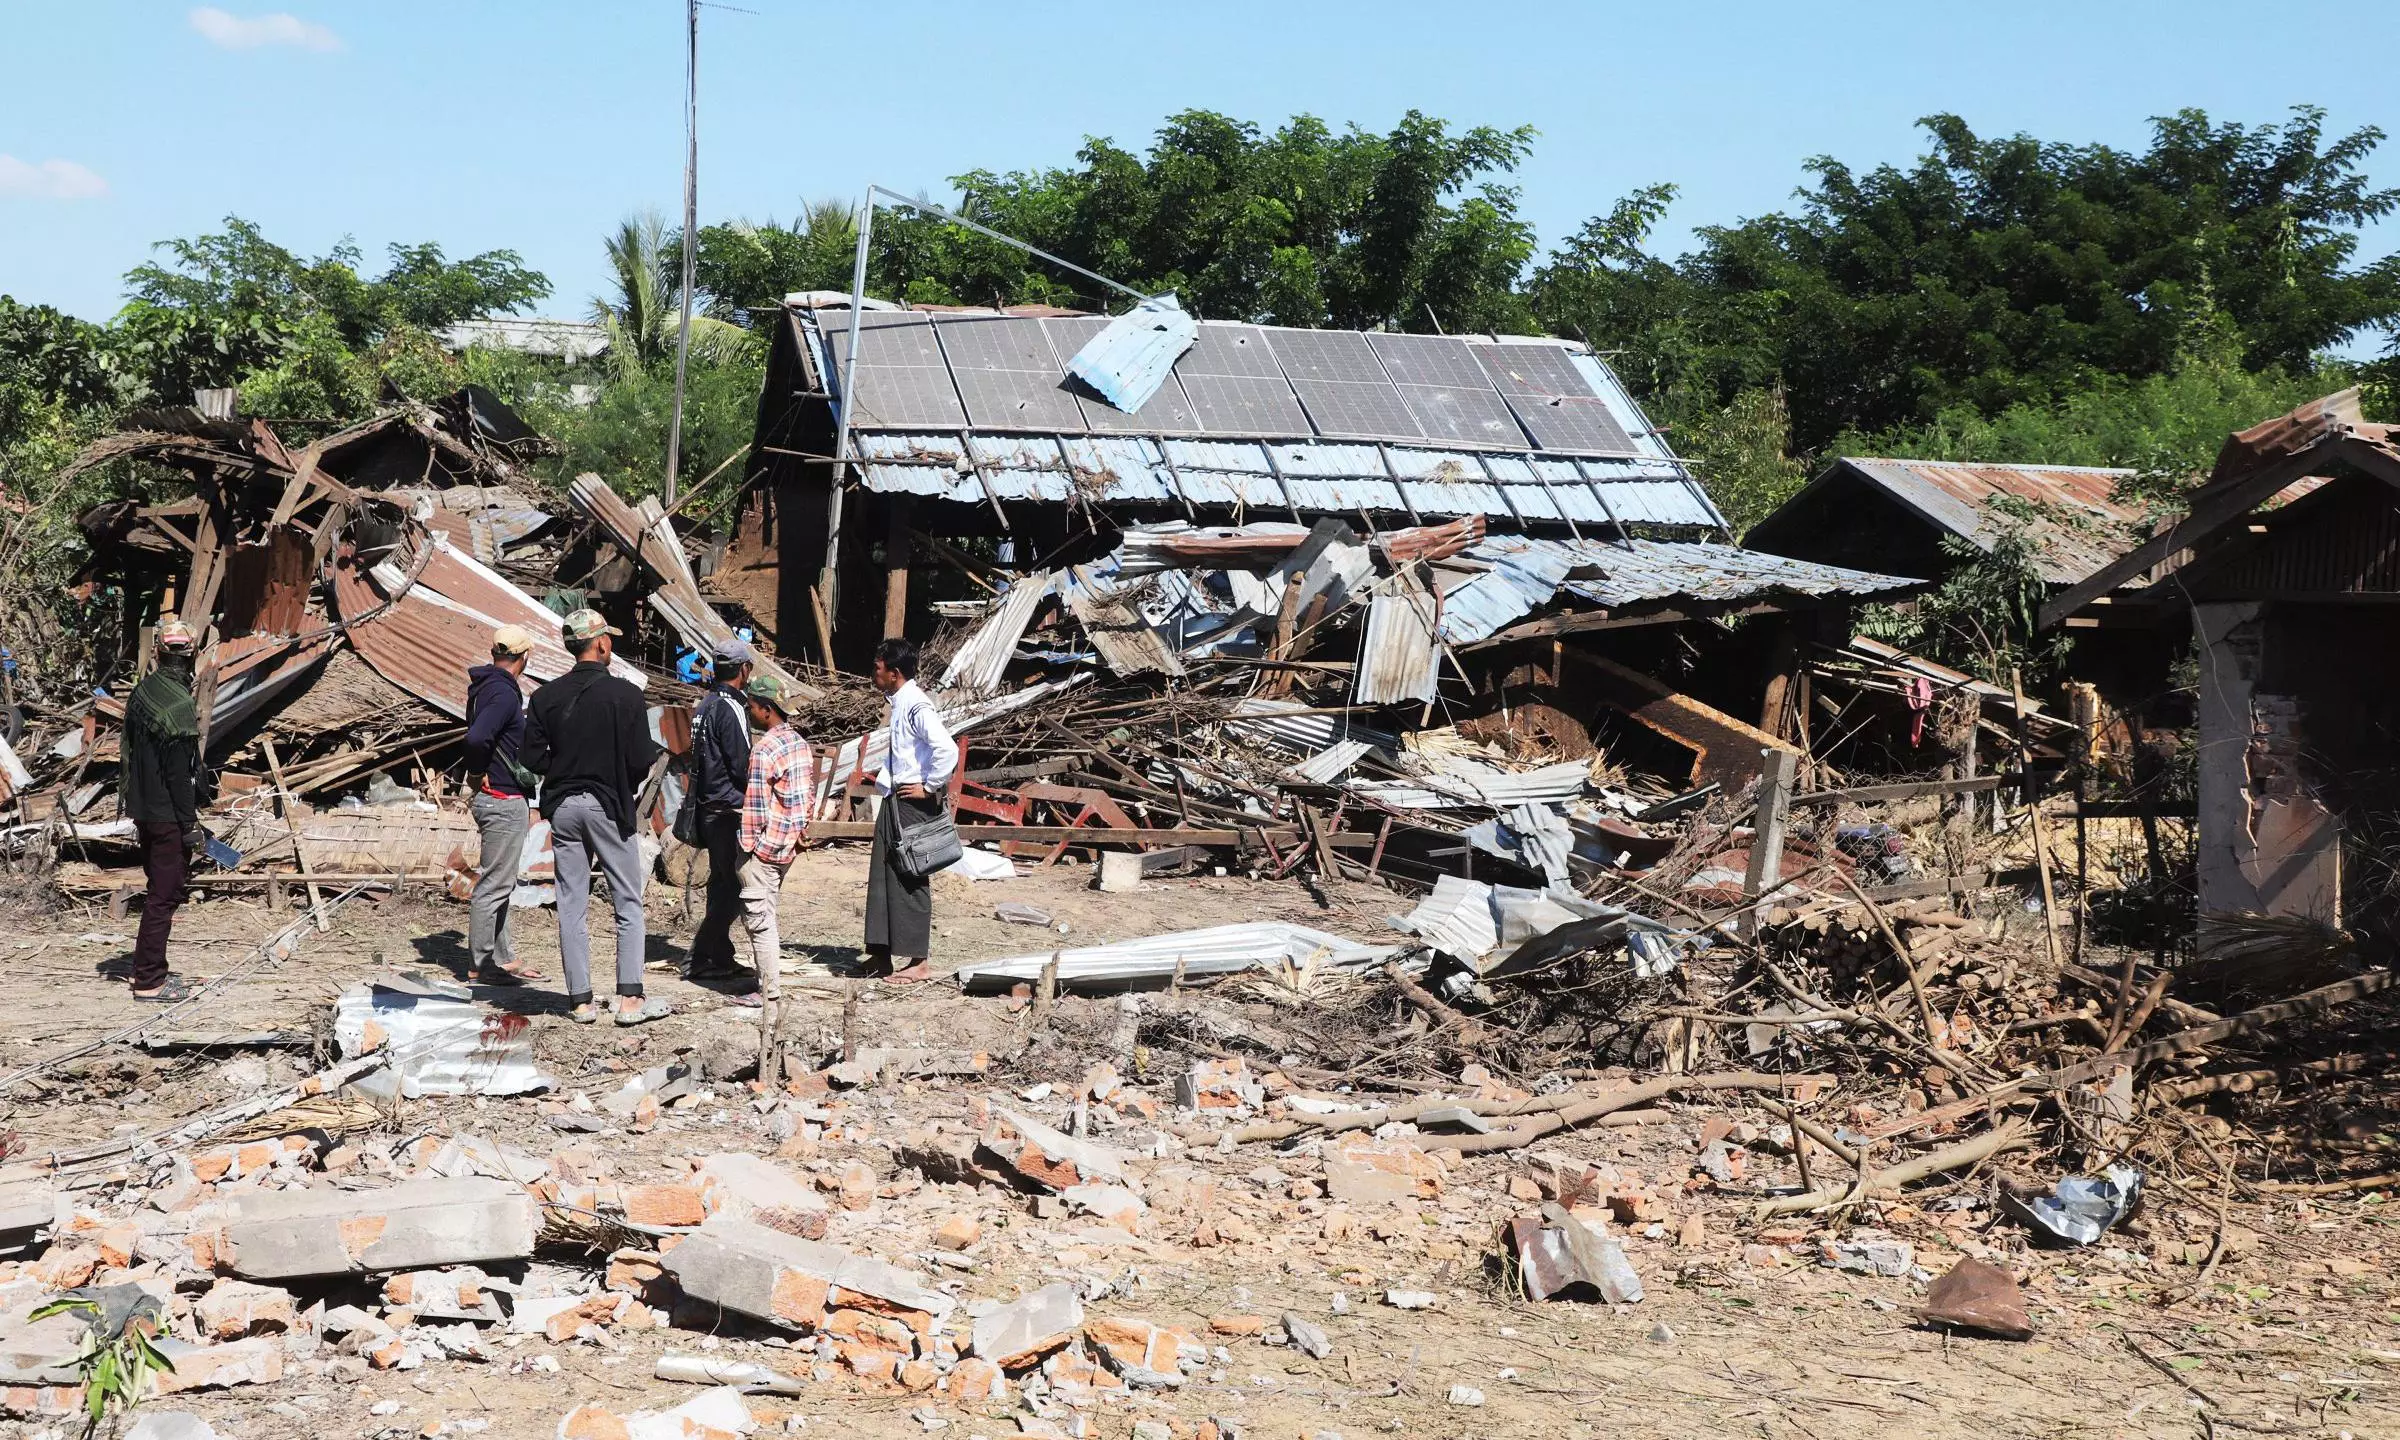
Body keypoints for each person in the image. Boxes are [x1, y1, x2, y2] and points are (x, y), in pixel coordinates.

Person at [520, 609, 671, 1026]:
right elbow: (642, 757)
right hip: (607, 805)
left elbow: (531, 757)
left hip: (564, 809)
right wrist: (620, 775)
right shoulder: (625, 695)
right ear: (601, 644)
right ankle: (629, 999)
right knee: (627, 900)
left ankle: (581, 1001)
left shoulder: (545, 697)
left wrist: (563, 763)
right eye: (610, 640)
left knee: (571, 903)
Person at [863, 636, 954, 983]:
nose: (875, 673)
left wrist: (929, 786)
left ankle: (919, 961)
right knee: (883, 874)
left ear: (895, 673)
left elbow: (946, 749)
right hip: (894, 798)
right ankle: (881, 954)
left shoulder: (917, 705)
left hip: (911, 802)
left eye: (878, 668)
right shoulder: (900, 702)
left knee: (911, 874)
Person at [121, 616, 202, 1002]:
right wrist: (191, 825)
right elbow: (178, 777)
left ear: (157, 652)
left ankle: (141, 971)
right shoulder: (180, 705)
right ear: (193, 654)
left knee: (157, 891)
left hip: (142, 809)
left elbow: (133, 753)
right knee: (164, 896)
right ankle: (151, 981)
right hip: (167, 814)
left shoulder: (143, 692)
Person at [463, 624, 540, 986]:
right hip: (502, 799)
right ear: (523, 658)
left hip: (495, 798)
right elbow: (478, 737)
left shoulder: (482, 688)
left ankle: (502, 956)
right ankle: (481, 963)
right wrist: (478, 771)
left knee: (500, 881)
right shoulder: (505, 694)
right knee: (493, 885)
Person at [732, 673, 811, 1008]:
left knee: (759, 920)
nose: (749, 712)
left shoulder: (764, 749)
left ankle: (769, 991)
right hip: (787, 845)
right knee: (768, 911)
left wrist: (746, 847)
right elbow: (807, 797)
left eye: (751, 706)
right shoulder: (799, 743)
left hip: (765, 848)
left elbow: (756, 805)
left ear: (766, 709)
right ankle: (768, 983)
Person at [685, 637, 756, 985]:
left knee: (721, 882)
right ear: (744, 670)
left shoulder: (705, 704)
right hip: (728, 808)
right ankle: (700, 956)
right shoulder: (730, 708)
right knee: (731, 888)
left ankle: (721, 955)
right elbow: (740, 763)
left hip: (708, 805)